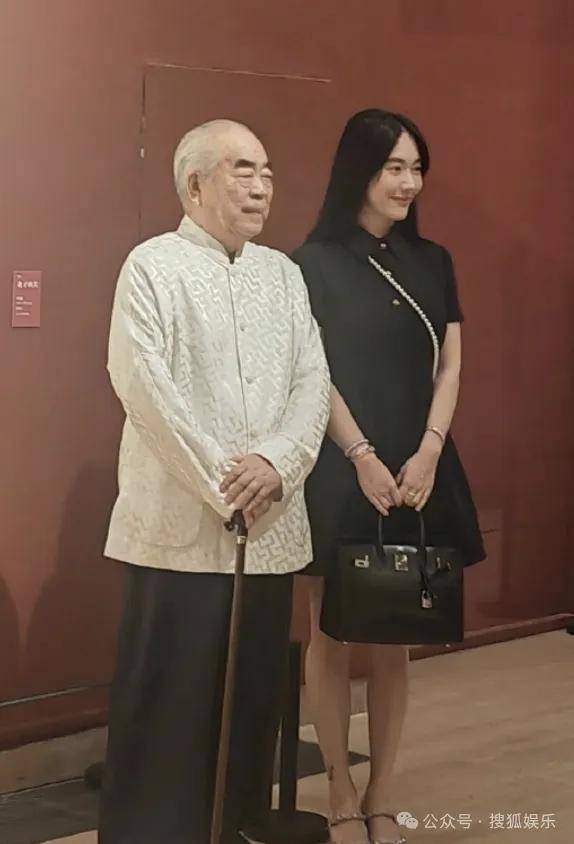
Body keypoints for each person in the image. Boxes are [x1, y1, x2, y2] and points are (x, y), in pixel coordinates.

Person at [99, 119, 330, 844]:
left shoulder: (283, 275)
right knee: (170, 698)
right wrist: (226, 483)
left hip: (269, 527)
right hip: (181, 528)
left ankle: (238, 824)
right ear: (194, 184)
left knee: (251, 697)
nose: (261, 186)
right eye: (241, 169)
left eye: (266, 170)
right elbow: (143, 384)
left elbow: (312, 381)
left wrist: (278, 463)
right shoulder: (152, 266)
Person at [292, 109, 485, 844]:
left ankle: (382, 793)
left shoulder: (433, 260)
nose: (407, 182)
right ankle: (339, 791)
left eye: (415, 168)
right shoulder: (311, 263)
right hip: (345, 464)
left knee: (396, 636)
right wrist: (361, 455)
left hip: (419, 466)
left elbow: (451, 364)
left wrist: (430, 449)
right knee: (331, 633)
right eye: (393, 167)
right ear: (359, 171)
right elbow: (313, 373)